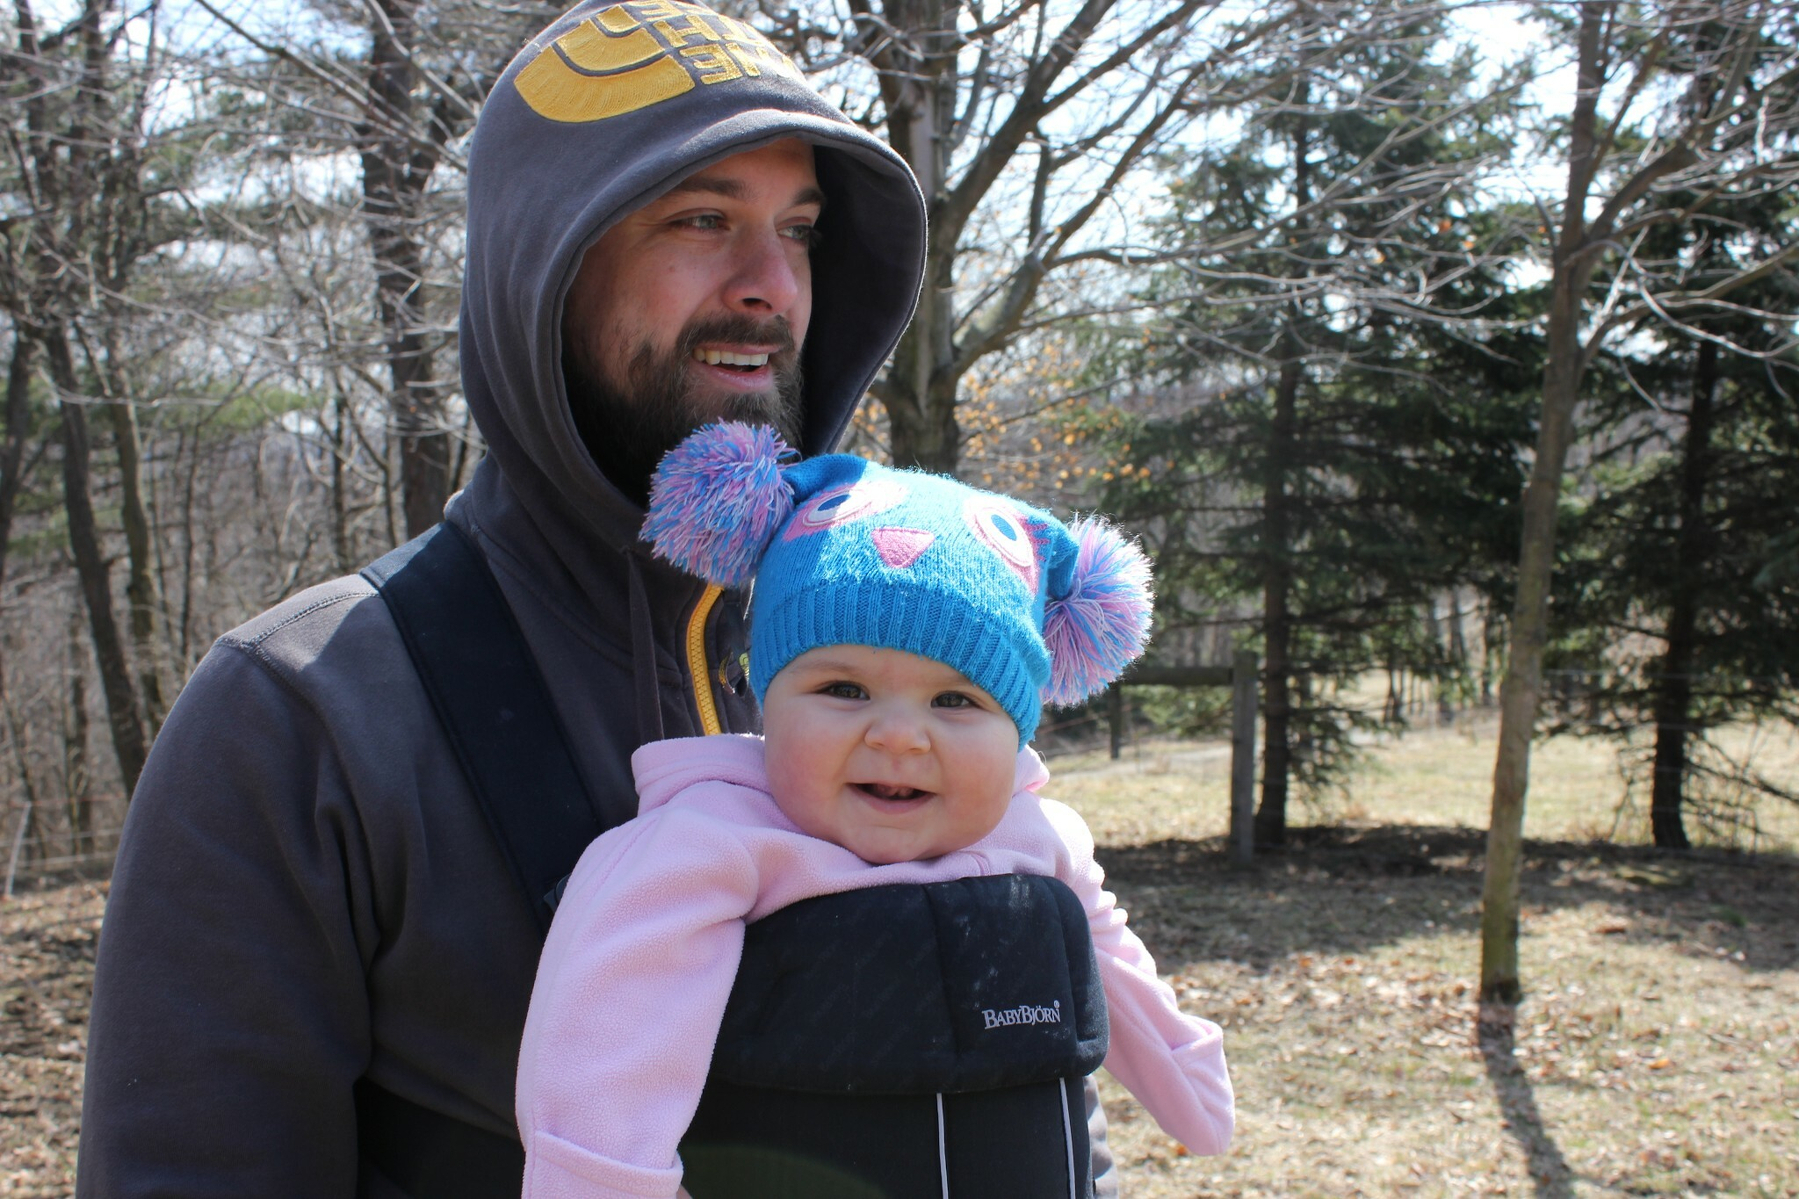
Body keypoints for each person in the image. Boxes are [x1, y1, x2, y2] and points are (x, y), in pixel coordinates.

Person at [71, 1, 1000, 1194]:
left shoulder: (899, 640)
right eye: (703, 218)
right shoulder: (307, 719)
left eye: (801, 229)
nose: (772, 285)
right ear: (542, 271)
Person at [515, 423, 1234, 1198]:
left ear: (1016, 730)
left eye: (956, 700)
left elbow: (1116, 969)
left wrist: (1187, 1085)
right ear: (765, 699)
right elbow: (604, 1059)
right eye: (842, 689)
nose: (897, 734)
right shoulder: (706, 845)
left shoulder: (1037, 837)